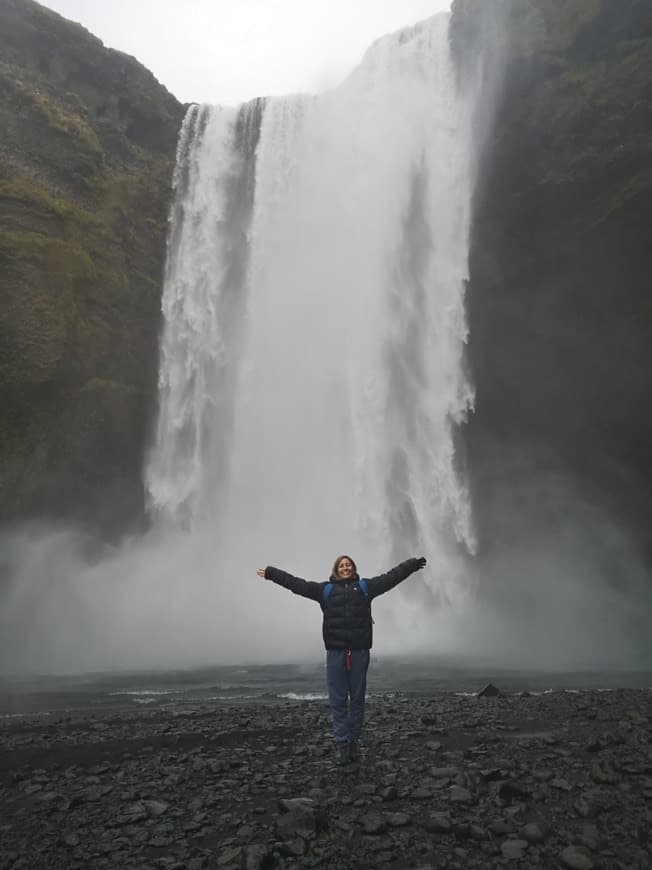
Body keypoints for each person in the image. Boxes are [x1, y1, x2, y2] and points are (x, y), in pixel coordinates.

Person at [256, 554, 427, 765]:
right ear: (336, 570)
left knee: (357, 699)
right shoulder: (325, 590)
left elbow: (391, 578)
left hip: (359, 652)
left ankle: (353, 741)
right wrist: (272, 574)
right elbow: (297, 584)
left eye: (348, 565)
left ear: (353, 568)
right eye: (342, 565)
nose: (345, 568)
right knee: (337, 700)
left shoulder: (365, 587)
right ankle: (342, 744)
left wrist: (411, 565)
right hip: (336, 653)